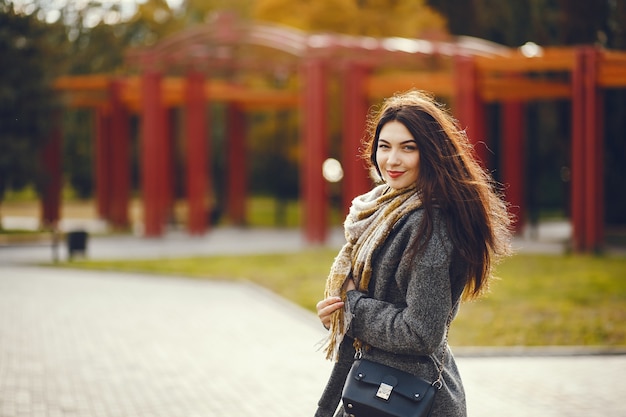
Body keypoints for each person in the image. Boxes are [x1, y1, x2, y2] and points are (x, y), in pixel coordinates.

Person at [314, 90, 513, 417]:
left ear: (432, 153)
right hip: (374, 389)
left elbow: (421, 332)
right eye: (384, 146)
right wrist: (338, 312)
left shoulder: (429, 224)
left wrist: (353, 308)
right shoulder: (381, 209)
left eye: (408, 148)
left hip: (405, 398)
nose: (392, 160)